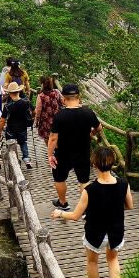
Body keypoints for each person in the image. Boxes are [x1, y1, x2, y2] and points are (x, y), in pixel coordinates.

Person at [51, 145, 132, 278]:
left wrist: (59, 213)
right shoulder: (124, 184)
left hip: (96, 233)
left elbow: (75, 216)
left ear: (94, 166)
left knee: (92, 261)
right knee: (113, 260)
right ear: (112, 163)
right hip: (115, 232)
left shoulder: (90, 190)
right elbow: (129, 206)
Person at [48, 83, 102, 211]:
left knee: (60, 178)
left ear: (63, 98)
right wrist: (93, 130)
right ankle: (85, 208)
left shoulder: (59, 116)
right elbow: (99, 127)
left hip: (62, 154)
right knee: (84, 181)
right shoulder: (88, 113)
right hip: (83, 153)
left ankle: (63, 203)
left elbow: (53, 138)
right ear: (79, 97)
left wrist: (50, 155)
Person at [0, 82, 35, 168]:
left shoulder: (8, 106)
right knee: (23, 143)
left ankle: (16, 160)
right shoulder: (26, 102)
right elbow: (34, 112)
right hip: (22, 128)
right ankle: (27, 160)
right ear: (19, 92)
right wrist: (29, 117)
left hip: (11, 130)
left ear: (10, 94)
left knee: (11, 146)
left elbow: (2, 121)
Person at [35, 76, 64, 145]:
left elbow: (38, 110)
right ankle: (56, 150)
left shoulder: (41, 96)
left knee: (47, 137)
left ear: (42, 84)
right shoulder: (56, 92)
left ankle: (50, 152)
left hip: (46, 120)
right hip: (57, 118)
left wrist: (36, 119)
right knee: (57, 135)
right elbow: (62, 101)